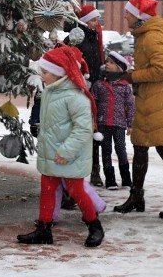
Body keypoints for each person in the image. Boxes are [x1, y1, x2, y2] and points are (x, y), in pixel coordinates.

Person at [17, 46, 104, 248]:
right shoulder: (50, 92)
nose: (42, 75)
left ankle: (94, 225)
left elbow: (83, 129)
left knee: (76, 191)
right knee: (47, 188)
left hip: (69, 155)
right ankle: (44, 229)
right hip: (52, 153)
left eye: (45, 72)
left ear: (59, 73)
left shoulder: (75, 97)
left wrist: (66, 151)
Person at [114, 0, 163, 219]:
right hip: (150, 101)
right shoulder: (145, 35)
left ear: (139, 17)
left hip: (160, 103)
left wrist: (132, 76)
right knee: (140, 148)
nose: (125, 16)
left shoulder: (151, 38)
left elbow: (162, 69)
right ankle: (137, 196)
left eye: (128, 13)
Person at [66, 4, 105, 187]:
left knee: (95, 130)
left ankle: (95, 169)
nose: (97, 23)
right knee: (81, 129)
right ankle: (77, 170)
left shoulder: (94, 36)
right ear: (84, 21)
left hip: (94, 87)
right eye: (93, 19)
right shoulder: (76, 37)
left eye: (97, 19)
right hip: (81, 88)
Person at [91, 51, 135, 189]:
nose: (107, 64)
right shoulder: (99, 85)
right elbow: (93, 104)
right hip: (103, 124)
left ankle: (126, 179)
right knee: (106, 151)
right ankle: (110, 180)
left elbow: (130, 106)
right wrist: (93, 121)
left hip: (119, 124)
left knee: (121, 149)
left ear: (119, 68)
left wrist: (131, 124)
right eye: (107, 62)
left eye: (111, 63)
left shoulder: (125, 87)